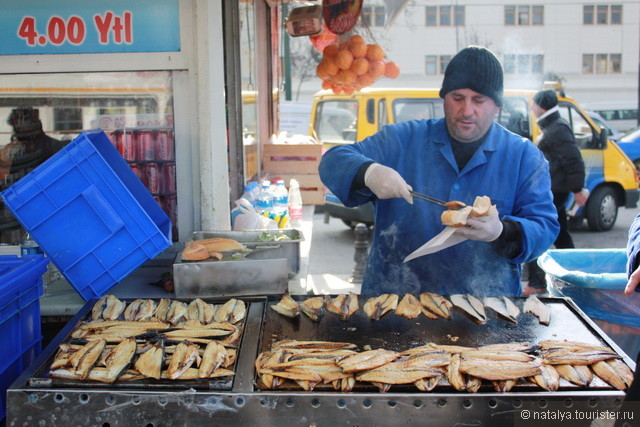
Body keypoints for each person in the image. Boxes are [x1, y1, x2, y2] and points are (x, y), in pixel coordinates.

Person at [318, 45, 559, 297]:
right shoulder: (402, 139)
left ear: (497, 106)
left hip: (486, 311)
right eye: (457, 98)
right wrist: (368, 171)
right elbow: (333, 161)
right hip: (393, 304)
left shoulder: (524, 156)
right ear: (443, 98)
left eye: (478, 100)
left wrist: (502, 231)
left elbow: (544, 226)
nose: (467, 111)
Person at [523, 90, 589, 295]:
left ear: (541, 106)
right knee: (561, 235)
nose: (531, 108)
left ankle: (536, 281)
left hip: (553, 191)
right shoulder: (552, 126)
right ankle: (575, 277)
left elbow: (573, 159)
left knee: (535, 230)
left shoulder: (557, 128)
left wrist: (578, 189)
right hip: (552, 189)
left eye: (533, 104)